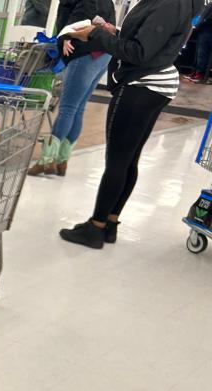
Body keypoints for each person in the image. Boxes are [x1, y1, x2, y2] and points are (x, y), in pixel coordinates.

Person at [60, 0, 202, 248]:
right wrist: (114, 32)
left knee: (117, 161)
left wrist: (95, 34)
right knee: (128, 158)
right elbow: (150, 41)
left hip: (142, 84)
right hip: (155, 82)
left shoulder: (169, 4)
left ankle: (95, 228)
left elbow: (140, 52)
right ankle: (109, 223)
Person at [28, 0, 117, 177]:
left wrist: (65, 37)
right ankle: (62, 160)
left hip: (84, 53)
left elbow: (79, 18)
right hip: (103, 54)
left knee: (68, 108)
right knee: (78, 108)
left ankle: (47, 161)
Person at [184, 2, 212, 82]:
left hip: (207, 30)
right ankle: (195, 71)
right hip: (203, 30)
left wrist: (198, 25)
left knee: (202, 52)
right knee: (198, 52)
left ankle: (199, 73)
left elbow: (206, 18)